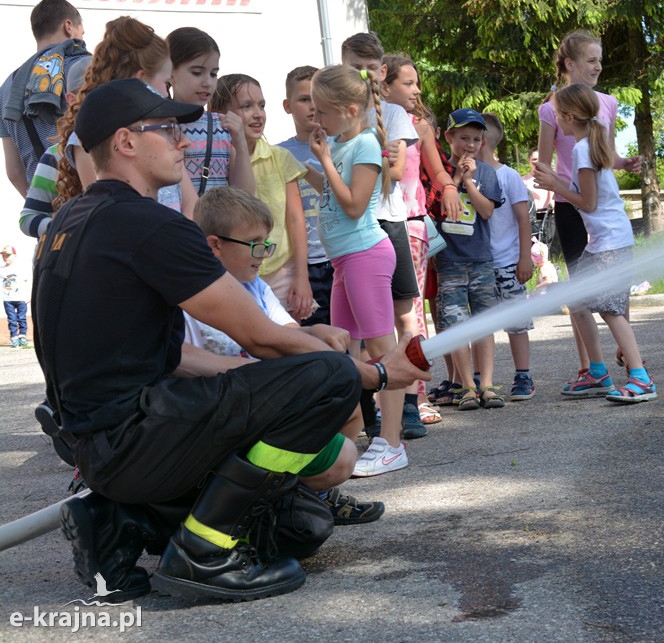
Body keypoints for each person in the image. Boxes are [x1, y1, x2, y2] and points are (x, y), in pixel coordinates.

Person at [33, 78, 428, 603]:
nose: (183, 142)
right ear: (125, 142)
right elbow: (262, 338)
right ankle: (205, 551)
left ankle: (114, 517)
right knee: (329, 379)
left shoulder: (71, 220)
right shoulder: (146, 224)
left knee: (301, 527)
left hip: (101, 447)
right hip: (136, 440)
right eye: (168, 130)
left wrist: (281, 364)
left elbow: (167, 353)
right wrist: (375, 374)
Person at [184, 186, 384, 526]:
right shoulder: (191, 296)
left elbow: (285, 334)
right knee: (343, 454)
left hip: (264, 401)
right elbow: (186, 361)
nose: (264, 253)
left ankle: (309, 495)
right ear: (214, 245)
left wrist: (316, 332)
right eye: (255, 244)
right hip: (224, 413)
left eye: (266, 242)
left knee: (349, 405)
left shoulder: (256, 286)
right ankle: (279, 498)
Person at [309, 64, 413, 476]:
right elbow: (335, 198)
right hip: (345, 261)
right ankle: (347, 439)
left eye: (323, 111)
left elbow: (354, 205)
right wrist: (312, 170)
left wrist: (324, 162)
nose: (317, 119)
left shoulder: (366, 145)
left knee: (382, 352)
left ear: (350, 109)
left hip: (366, 255)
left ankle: (392, 443)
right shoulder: (341, 144)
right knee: (342, 349)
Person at [534, 30, 640, 389]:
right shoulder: (551, 110)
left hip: (594, 211)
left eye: (599, 60)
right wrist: (548, 183)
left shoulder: (605, 104)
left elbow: (604, 157)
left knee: (607, 296)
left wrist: (624, 163)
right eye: (591, 60)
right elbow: (545, 161)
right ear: (570, 64)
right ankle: (592, 368)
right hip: (570, 207)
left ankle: (631, 363)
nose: (598, 66)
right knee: (579, 293)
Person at [543, 84, 655, 403]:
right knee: (578, 299)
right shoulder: (589, 142)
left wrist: (554, 184)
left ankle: (641, 378)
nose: (555, 121)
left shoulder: (581, 149)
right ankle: (598, 373)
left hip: (610, 241)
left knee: (610, 310)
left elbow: (588, 203)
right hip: (607, 239)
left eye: (556, 115)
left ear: (569, 116)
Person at [340, 34, 425, 441]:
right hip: (350, 238)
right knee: (354, 333)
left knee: (402, 319)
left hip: (386, 226)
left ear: (383, 70)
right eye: (356, 65)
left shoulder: (393, 115)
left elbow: (394, 173)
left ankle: (409, 404)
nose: (365, 73)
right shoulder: (340, 113)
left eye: (372, 67)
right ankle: (366, 416)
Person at [50, 16, 196, 217]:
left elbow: (190, 202)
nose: (166, 93)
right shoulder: (94, 137)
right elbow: (110, 214)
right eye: (166, 83)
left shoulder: (160, 132)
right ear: (141, 79)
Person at [210, 74, 314, 322]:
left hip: (281, 272)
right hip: (233, 274)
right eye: (246, 106)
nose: (258, 114)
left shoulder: (280, 158)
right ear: (220, 114)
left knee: (291, 341)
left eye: (262, 105)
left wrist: (301, 277)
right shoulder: (215, 161)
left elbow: (295, 219)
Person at [380, 54, 443, 426]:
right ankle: (385, 393)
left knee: (411, 313)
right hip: (374, 226)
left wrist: (449, 187)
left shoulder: (419, 127)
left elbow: (436, 170)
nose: (416, 90)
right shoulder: (364, 125)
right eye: (408, 83)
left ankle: (416, 396)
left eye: (416, 83)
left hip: (412, 225)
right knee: (379, 318)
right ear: (384, 86)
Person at [434, 109, 503, 410]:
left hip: (480, 260)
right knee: (456, 324)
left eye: (476, 139)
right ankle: (465, 386)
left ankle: (486, 384)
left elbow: (487, 211)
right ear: (449, 137)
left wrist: (470, 182)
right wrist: (455, 178)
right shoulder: (438, 172)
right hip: (448, 262)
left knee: (483, 323)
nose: (470, 144)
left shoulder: (487, 173)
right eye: (463, 138)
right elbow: (435, 208)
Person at [1, 0, 88, 197]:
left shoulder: (7, 88)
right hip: (91, 202)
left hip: (46, 212)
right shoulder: (88, 69)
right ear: (69, 27)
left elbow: (14, 172)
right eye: (82, 33)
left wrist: (40, 204)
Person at [479, 113, 535, 402]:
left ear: (483, 141)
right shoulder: (466, 174)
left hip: (508, 262)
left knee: (516, 323)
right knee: (480, 323)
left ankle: (523, 375)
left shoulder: (508, 175)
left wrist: (525, 258)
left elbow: (523, 219)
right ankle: (479, 378)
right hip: (478, 264)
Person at [166, 27, 256, 196]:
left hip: (216, 222)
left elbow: (245, 195)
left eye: (213, 74)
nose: (207, 82)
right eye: (197, 73)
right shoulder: (154, 126)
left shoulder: (223, 126)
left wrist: (241, 145)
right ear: (170, 72)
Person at [277, 66, 332, 326]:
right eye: (303, 99)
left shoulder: (342, 145)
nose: (312, 106)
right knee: (317, 334)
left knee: (357, 340)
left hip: (340, 254)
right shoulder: (279, 154)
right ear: (288, 106)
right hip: (305, 263)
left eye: (316, 97)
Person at [19, 55, 91, 239]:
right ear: (72, 99)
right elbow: (28, 218)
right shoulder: (55, 156)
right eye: (91, 94)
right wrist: (66, 229)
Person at [2, 246, 31, 349]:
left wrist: (28, 295)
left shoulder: (20, 269)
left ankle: (22, 337)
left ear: (14, 256)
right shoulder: (1, 270)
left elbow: (26, 282)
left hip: (21, 298)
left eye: (8, 255)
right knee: (12, 319)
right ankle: (14, 338)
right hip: (8, 299)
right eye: (4, 256)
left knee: (22, 318)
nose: (5, 258)